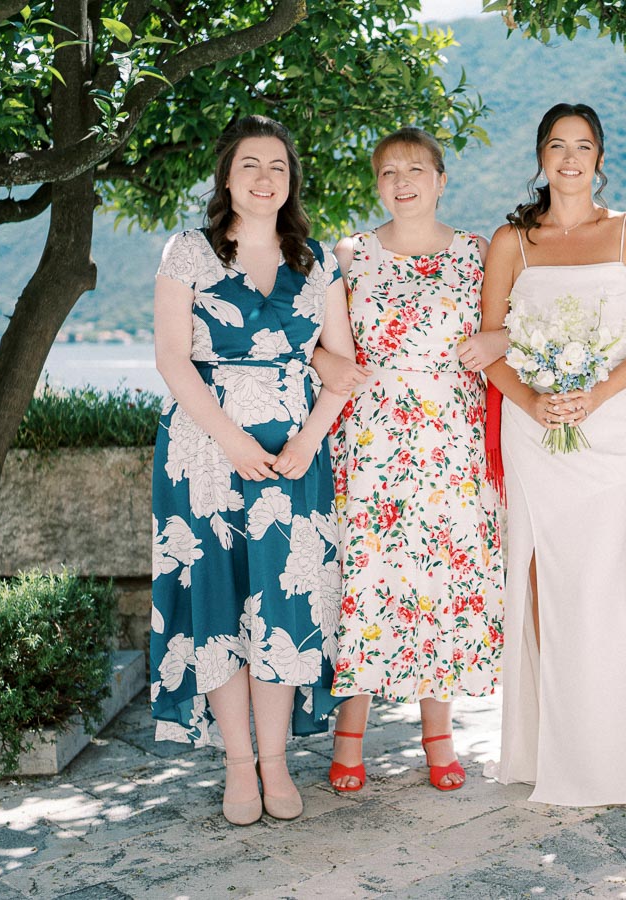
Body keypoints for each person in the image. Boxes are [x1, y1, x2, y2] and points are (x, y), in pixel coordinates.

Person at [148, 115, 366, 825]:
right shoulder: (187, 252)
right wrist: (231, 440)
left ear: (290, 179)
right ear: (227, 176)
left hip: (295, 457)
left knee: (283, 602)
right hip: (206, 455)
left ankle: (276, 763)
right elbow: (173, 360)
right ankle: (238, 765)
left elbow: (340, 363)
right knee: (218, 603)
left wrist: (309, 438)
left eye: (277, 165)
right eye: (250, 164)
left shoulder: (317, 262)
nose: (264, 177)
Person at [481, 103, 626, 806]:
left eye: (582, 146)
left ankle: (609, 749)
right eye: (557, 146)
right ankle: (546, 748)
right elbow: (491, 346)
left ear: (599, 157)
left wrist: (593, 394)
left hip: (609, 429)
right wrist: (531, 401)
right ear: (540, 155)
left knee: (592, 578)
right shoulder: (513, 241)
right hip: (533, 432)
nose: (569, 158)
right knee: (537, 582)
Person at [318, 127, 506, 793]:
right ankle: (350, 735)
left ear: (440, 178)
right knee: (371, 580)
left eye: (416, 169)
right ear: (377, 184)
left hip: (453, 440)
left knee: (444, 582)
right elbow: (311, 341)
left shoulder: (474, 254)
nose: (403, 181)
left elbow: (513, 324)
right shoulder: (350, 255)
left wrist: (496, 337)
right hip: (373, 443)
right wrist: (329, 362)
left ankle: (439, 734)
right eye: (389, 171)